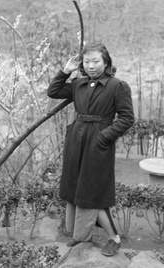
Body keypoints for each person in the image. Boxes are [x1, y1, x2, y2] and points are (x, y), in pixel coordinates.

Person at [47, 42, 135, 256]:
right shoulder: (79, 84)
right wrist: (66, 70)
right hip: (76, 143)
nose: (91, 66)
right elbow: (53, 91)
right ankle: (81, 236)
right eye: (87, 62)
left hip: (98, 145)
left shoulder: (117, 86)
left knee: (92, 192)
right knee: (76, 189)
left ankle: (114, 238)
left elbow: (127, 118)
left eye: (96, 61)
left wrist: (103, 137)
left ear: (106, 62)